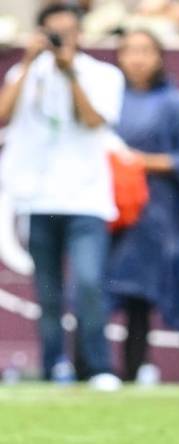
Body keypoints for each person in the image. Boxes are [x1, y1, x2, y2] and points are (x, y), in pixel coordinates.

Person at [0, 4, 124, 389]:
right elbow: (3, 116)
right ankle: (55, 365)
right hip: (38, 198)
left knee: (87, 283)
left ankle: (98, 367)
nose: (61, 40)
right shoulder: (23, 72)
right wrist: (27, 64)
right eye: (54, 32)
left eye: (68, 32)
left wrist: (69, 72)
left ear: (81, 35)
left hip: (86, 198)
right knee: (48, 291)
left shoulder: (103, 74)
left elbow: (92, 119)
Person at [108, 29, 179, 381]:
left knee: (140, 296)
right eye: (129, 50)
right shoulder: (103, 99)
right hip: (103, 210)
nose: (136, 58)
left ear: (159, 57)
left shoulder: (174, 105)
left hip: (153, 214)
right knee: (90, 289)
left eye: (145, 51)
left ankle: (132, 371)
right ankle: (88, 370)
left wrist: (137, 162)